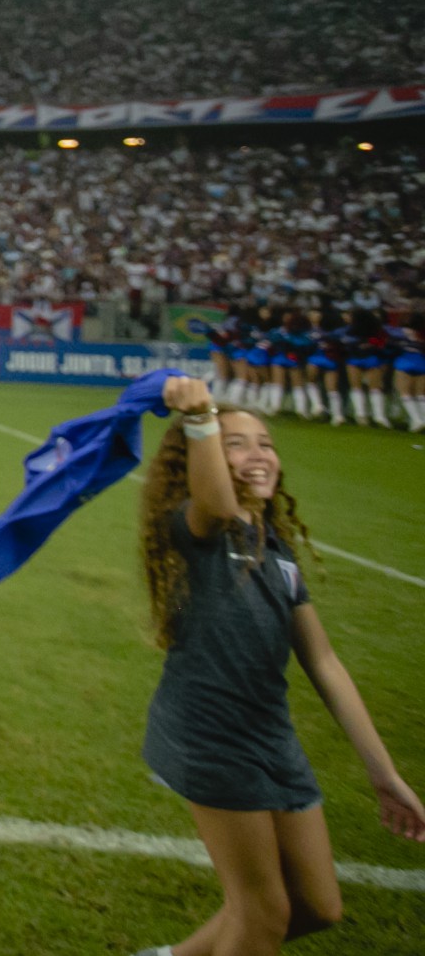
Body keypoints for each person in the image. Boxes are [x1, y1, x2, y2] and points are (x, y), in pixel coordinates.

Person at [133, 377, 425, 956]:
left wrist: (384, 774)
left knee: (318, 906)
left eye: (265, 443)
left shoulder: (277, 549)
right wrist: (200, 418)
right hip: (210, 736)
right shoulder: (195, 528)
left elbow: (324, 662)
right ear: (200, 457)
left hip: (271, 736)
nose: (258, 454)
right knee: (263, 915)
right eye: (237, 444)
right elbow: (217, 503)